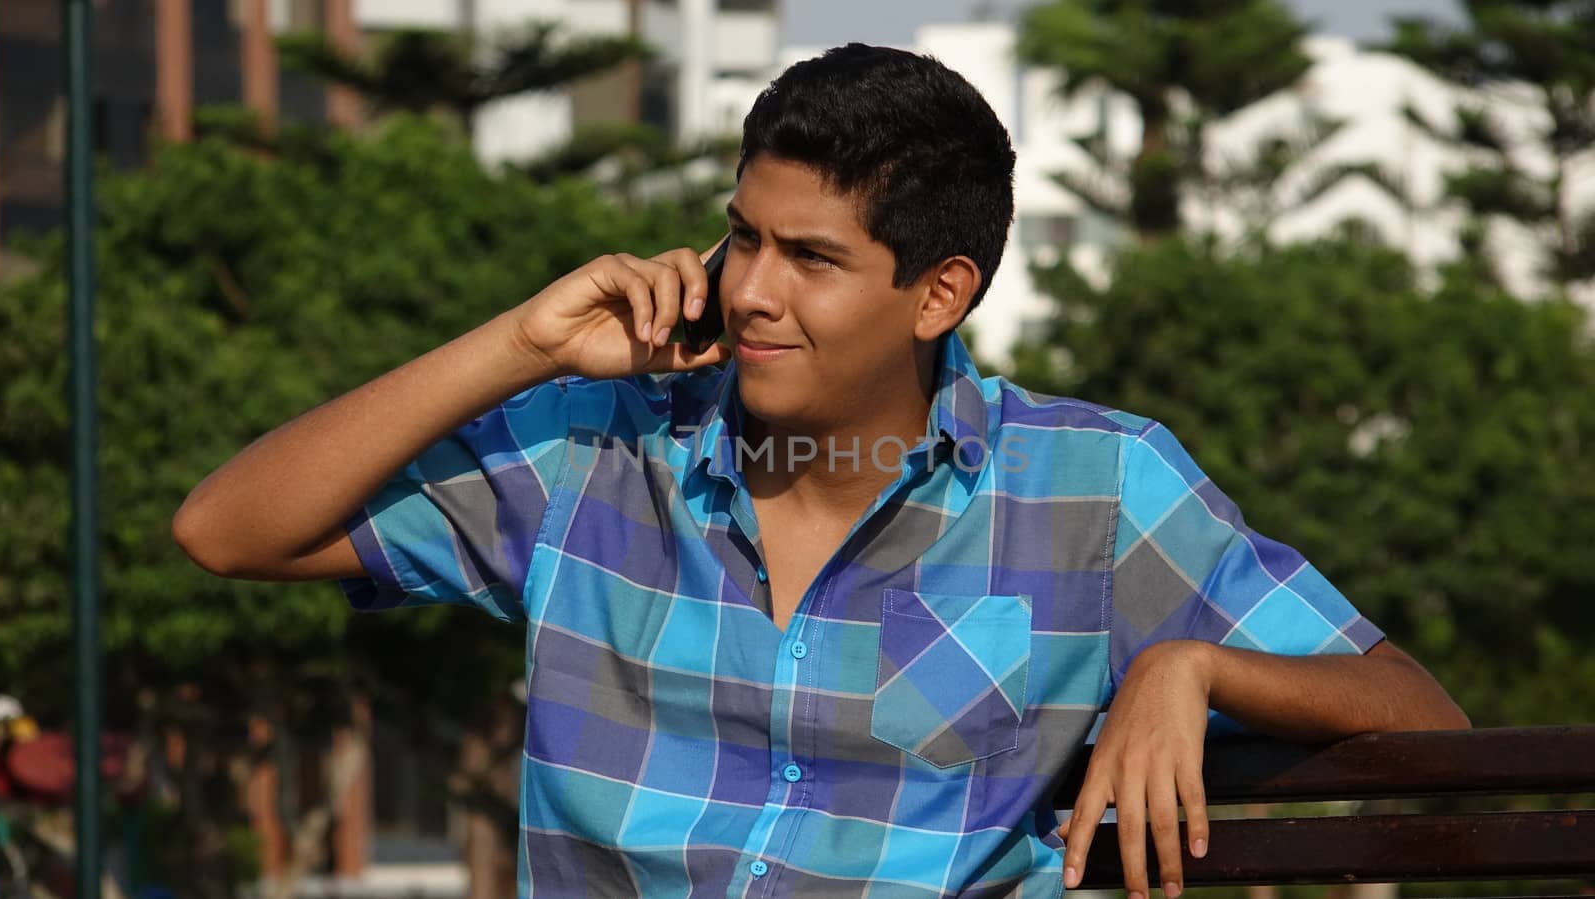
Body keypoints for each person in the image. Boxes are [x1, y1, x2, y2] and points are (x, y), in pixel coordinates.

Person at [174, 43, 1469, 899]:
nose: (751, 291)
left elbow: (1424, 717)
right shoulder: (594, 452)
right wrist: (520, 344)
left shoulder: (1097, 488)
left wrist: (1193, 664)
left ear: (938, 292)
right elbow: (228, 531)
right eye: (743, 238)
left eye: (812, 258)